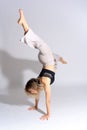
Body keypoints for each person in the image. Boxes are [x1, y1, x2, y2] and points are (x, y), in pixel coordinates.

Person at [18, 9, 67, 120]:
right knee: (36, 43)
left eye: (30, 91)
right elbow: (38, 95)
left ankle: (23, 21)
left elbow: (48, 100)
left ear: (34, 87)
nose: (31, 93)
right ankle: (23, 22)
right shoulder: (39, 82)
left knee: (37, 42)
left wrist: (48, 114)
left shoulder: (44, 81)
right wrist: (35, 106)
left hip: (47, 59)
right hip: (48, 59)